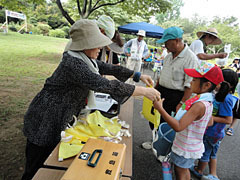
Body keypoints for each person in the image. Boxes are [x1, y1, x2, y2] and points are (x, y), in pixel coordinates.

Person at [21, 19, 161, 180]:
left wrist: (137, 75)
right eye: (97, 43)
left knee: (51, 158)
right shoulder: (73, 63)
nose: (101, 47)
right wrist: (142, 91)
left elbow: (107, 67)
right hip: (46, 117)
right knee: (36, 167)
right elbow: (103, 84)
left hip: (59, 113)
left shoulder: (84, 58)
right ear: (85, 44)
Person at [153, 62, 224, 180]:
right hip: (191, 144)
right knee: (183, 170)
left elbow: (179, 126)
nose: (190, 82)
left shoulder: (199, 105)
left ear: (206, 85)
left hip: (186, 147)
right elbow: (210, 122)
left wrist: (160, 108)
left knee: (181, 172)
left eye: (195, 80)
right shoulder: (208, 101)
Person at [190, 68, 238, 180]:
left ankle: (199, 170)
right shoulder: (218, 95)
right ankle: (213, 174)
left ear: (228, 85)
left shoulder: (226, 99)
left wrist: (211, 117)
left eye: (218, 81)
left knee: (206, 152)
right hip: (214, 132)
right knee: (212, 152)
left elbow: (228, 120)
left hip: (213, 132)